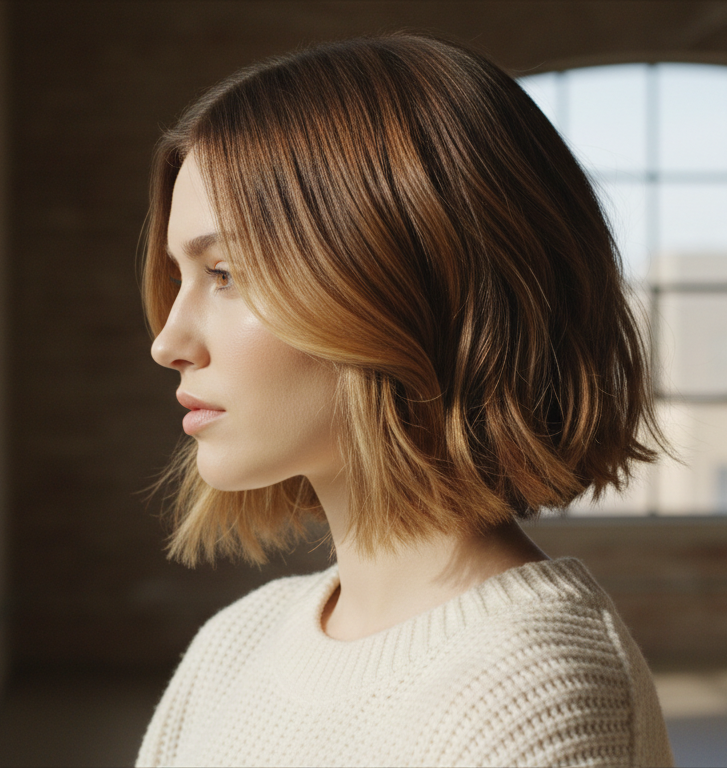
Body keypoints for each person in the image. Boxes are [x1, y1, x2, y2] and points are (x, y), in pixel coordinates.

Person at [136, 31, 673, 768]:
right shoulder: (234, 645)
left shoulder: (526, 703)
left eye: (224, 273)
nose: (169, 340)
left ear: (407, 286)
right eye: (181, 275)